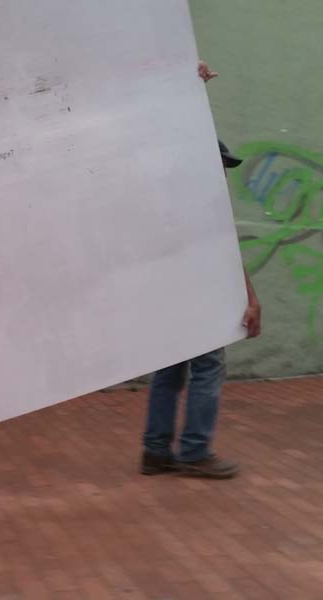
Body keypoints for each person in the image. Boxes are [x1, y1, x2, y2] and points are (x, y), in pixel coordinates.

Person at [140, 62, 261, 479]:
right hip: (195, 297)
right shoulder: (200, 202)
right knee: (208, 367)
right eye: (219, 163)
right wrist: (250, 298)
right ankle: (194, 451)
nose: (224, 172)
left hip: (170, 295)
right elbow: (225, 252)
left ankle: (156, 451)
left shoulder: (170, 196)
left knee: (169, 370)